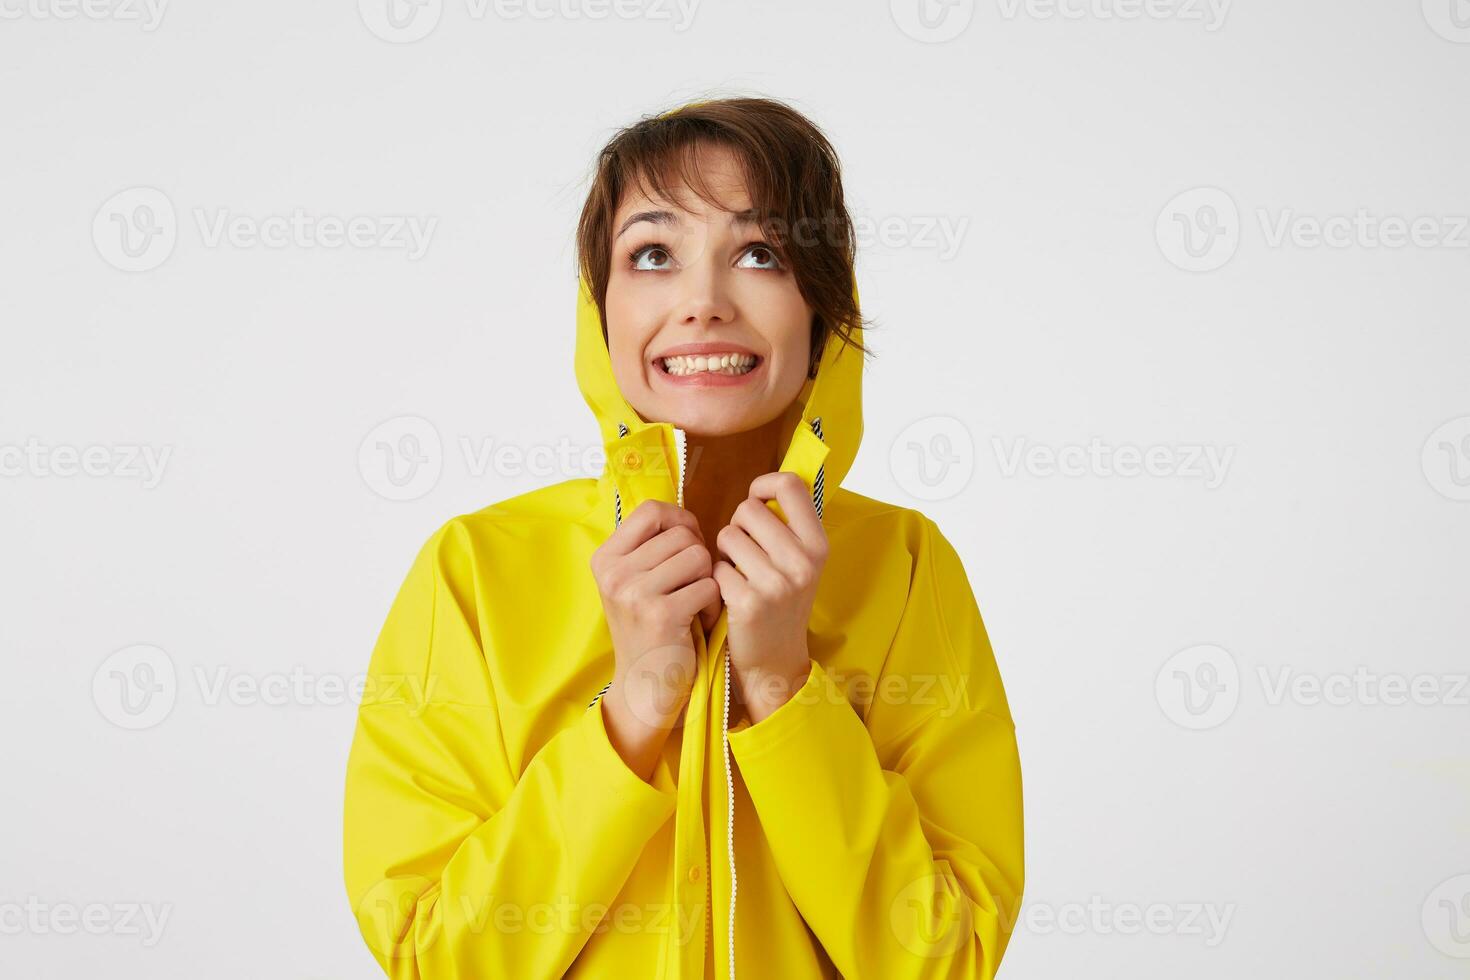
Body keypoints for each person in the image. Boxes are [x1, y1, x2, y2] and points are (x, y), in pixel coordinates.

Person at [342, 95, 1025, 979]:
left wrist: (782, 683)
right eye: (654, 254)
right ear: (603, 309)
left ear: (823, 314)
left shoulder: (906, 567)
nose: (703, 303)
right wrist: (633, 708)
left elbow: (944, 959)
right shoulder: (472, 571)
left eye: (759, 252)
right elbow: (436, 958)